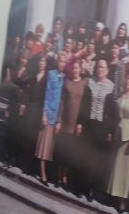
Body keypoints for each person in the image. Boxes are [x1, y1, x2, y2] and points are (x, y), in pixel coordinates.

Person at [106, 69, 129, 213]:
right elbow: (116, 116)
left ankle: (122, 201)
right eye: (127, 78)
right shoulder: (121, 95)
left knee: (126, 170)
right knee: (115, 166)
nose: (128, 81)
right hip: (118, 133)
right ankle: (112, 195)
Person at [55, 60, 92, 194]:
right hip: (65, 122)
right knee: (61, 152)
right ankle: (58, 178)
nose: (75, 70)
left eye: (77, 68)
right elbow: (62, 102)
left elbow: (85, 106)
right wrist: (59, 121)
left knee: (69, 154)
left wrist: (80, 123)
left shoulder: (85, 84)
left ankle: (65, 178)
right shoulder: (66, 83)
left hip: (75, 124)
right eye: (73, 68)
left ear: (80, 69)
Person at [83, 59, 116, 201]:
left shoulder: (111, 87)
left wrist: (110, 131)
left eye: (103, 67)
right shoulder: (89, 82)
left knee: (97, 159)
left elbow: (113, 111)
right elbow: (84, 104)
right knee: (86, 155)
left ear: (107, 70)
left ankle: (91, 189)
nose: (100, 69)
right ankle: (82, 185)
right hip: (89, 123)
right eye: (98, 67)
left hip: (102, 126)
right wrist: (80, 123)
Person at [35, 54, 66, 185]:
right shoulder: (51, 74)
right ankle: (43, 173)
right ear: (57, 61)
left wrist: (59, 120)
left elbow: (62, 99)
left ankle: (49, 173)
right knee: (44, 144)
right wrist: (44, 113)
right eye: (60, 61)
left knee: (51, 147)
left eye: (64, 61)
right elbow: (47, 94)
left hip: (57, 116)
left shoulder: (64, 77)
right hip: (48, 113)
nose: (62, 63)